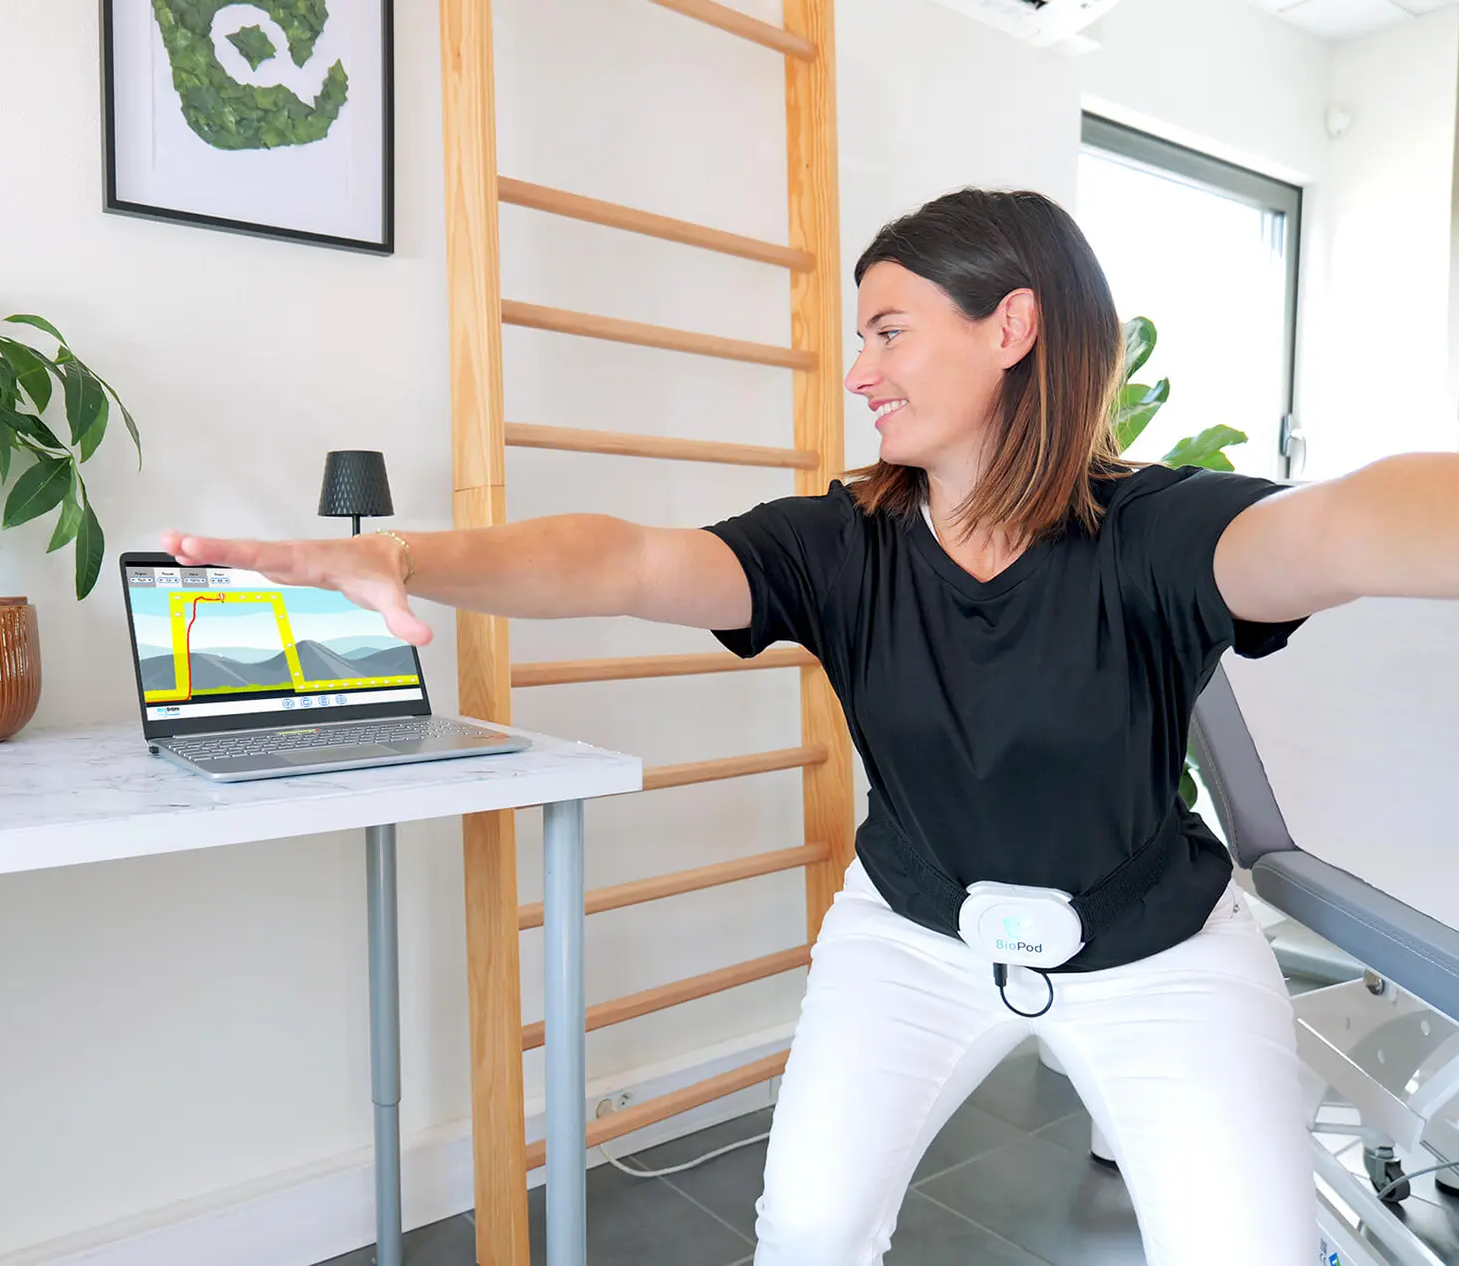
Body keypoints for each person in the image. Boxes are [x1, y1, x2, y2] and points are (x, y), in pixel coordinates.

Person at [163, 188, 1459, 1265]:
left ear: (1011, 324)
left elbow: (1342, 525)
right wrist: (401, 552)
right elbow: (619, 561)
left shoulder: (1158, 534)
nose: (860, 371)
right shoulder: (841, 549)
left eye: (889, 330)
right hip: (911, 934)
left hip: (1159, 950)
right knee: (811, 1230)